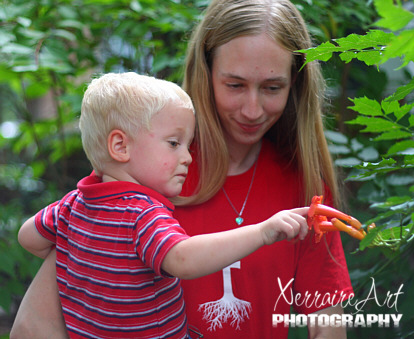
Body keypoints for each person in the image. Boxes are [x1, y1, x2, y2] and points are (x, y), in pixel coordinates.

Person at [11, 0, 354, 338]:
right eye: (234, 85)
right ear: (205, 73)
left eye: (272, 88)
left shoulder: (302, 185)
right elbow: (33, 326)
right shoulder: (150, 171)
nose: (252, 109)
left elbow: (327, 326)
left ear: (295, 85)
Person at [16, 72, 309, 339]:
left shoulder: (71, 205)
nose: (188, 157)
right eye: (173, 143)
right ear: (120, 147)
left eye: (187, 145)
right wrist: (262, 232)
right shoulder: (141, 212)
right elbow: (182, 259)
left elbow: (28, 237)